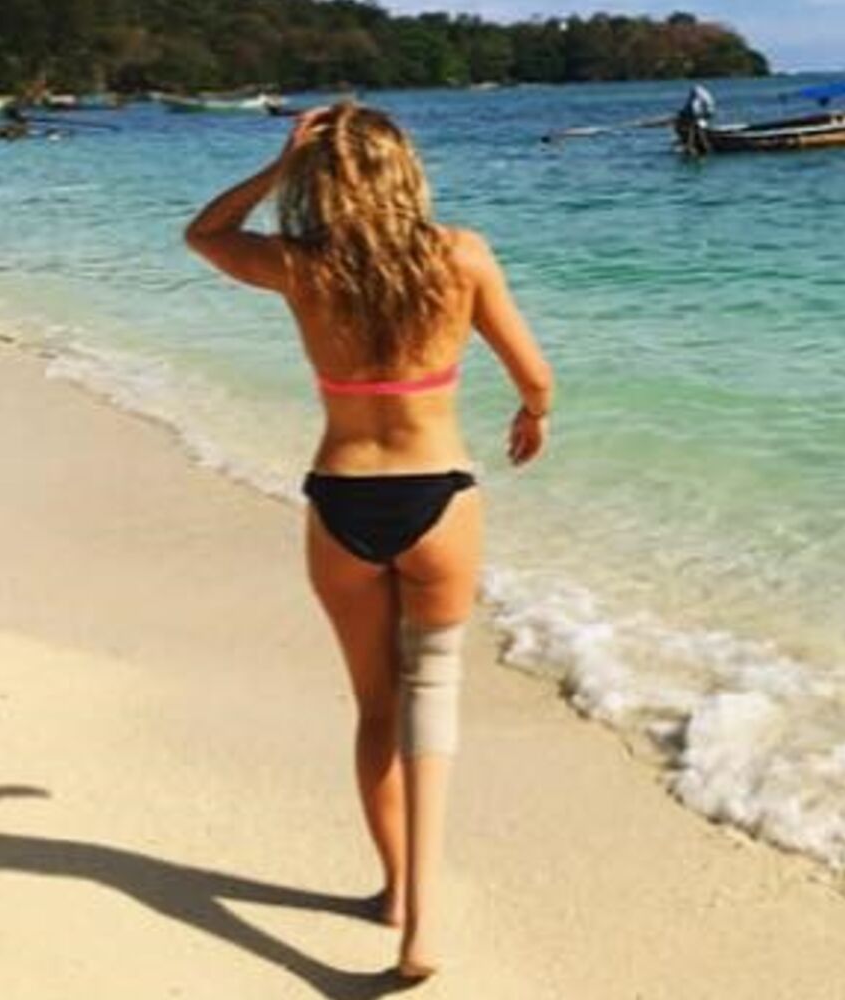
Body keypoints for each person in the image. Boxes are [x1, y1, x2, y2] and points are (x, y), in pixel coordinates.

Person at [184, 101, 554, 980]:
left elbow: (205, 234)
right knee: (432, 699)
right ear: (406, 170)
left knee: (377, 709)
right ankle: (422, 920)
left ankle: (392, 891)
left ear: (320, 180)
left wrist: (277, 168)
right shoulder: (460, 255)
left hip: (341, 502)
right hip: (438, 498)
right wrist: (533, 414)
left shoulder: (300, 265)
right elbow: (537, 377)